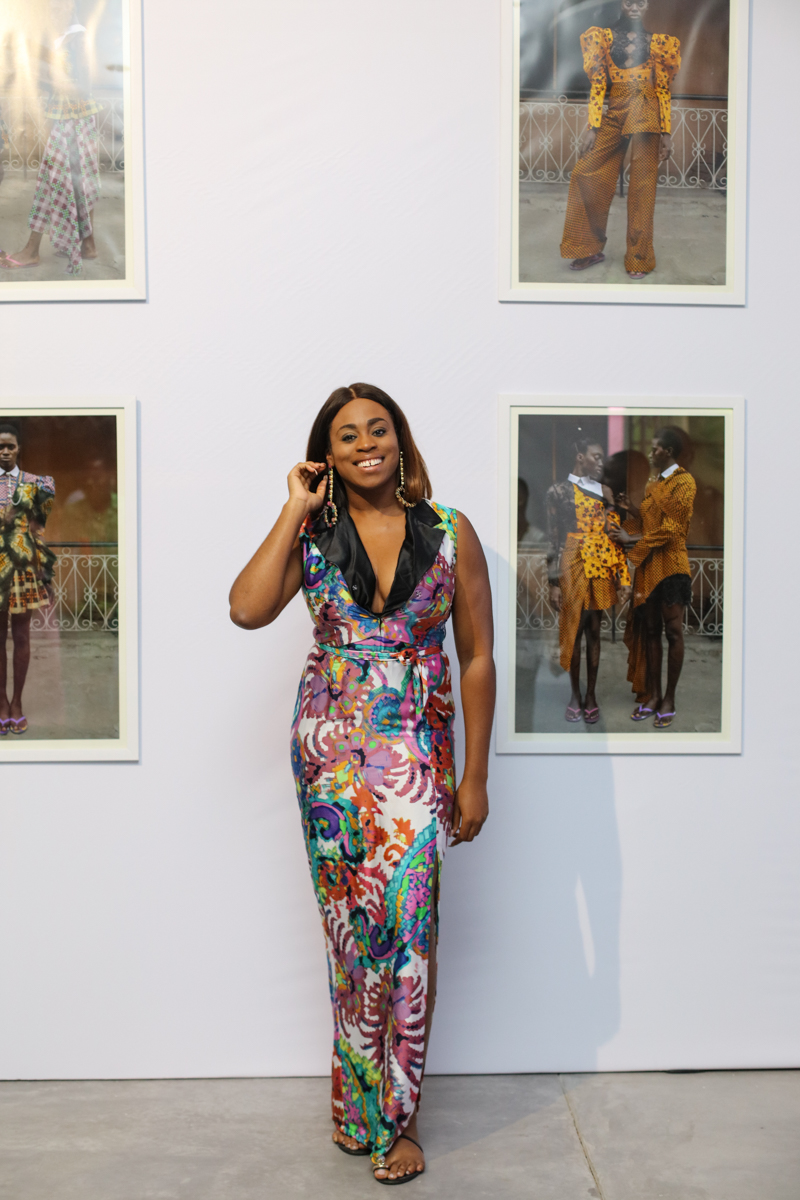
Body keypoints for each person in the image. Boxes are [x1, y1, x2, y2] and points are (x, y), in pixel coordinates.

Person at [229, 384, 495, 1184]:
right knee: (350, 935)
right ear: (327, 455)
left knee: (410, 931)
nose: (366, 443)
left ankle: (398, 1120)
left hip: (417, 753)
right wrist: (294, 507)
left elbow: (478, 656)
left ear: (400, 439)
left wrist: (474, 778)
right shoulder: (312, 532)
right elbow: (246, 610)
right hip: (331, 757)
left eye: (379, 429)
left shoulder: (451, 532)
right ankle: (357, 1108)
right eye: (348, 436)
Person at [560, 0, 681, 279]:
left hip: (647, 109)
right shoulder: (602, 37)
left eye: (641, 2)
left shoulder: (660, 43)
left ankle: (639, 258)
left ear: (647, 5)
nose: (635, 7)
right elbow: (598, 85)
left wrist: (666, 132)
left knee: (642, 186)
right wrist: (593, 125)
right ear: (622, 4)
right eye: (629, 1)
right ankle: (588, 248)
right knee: (584, 173)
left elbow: (662, 89)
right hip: (615, 111)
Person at [1, 0, 102, 275]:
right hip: (65, 119)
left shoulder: (79, 38)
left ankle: (32, 251)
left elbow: (85, 86)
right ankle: (89, 245)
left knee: (51, 180)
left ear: (71, 6)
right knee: (78, 182)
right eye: (52, 5)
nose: (55, 9)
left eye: (62, 4)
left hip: (76, 121)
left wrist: (51, 79)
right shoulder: (58, 38)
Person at [609, 428, 696, 729]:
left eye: (655, 447)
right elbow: (649, 524)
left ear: (668, 451)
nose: (650, 452)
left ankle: (669, 698)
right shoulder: (653, 484)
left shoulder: (684, 482)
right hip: (648, 567)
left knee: (673, 632)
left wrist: (630, 539)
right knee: (650, 631)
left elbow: (673, 529)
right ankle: (654, 695)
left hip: (671, 566)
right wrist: (630, 510)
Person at [546, 439, 631, 724]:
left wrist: (622, 576)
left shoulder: (605, 492)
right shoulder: (558, 491)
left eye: (602, 458)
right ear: (580, 457)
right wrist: (553, 582)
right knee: (574, 630)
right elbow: (553, 538)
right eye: (596, 456)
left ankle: (591, 695)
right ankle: (574, 694)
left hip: (601, 564)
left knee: (595, 631)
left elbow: (614, 536)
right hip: (572, 563)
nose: (601, 462)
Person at [0, 423, 56, 735]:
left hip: (23, 568)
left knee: (21, 636)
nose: (5, 451)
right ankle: (0, 702)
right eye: (0, 447)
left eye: (10, 446)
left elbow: (37, 530)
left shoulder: (36, 484)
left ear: (19, 448)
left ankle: (17, 702)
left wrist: (44, 570)